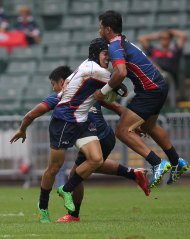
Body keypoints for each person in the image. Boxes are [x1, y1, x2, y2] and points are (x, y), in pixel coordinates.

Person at [10, 39, 150, 223]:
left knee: (73, 171)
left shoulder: (83, 85)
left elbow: (29, 116)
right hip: (92, 131)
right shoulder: (85, 86)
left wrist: (22, 129)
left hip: (87, 128)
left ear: (61, 81)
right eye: (105, 54)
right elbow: (117, 102)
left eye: (53, 84)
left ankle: (70, 208)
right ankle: (45, 206)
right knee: (84, 165)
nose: (108, 57)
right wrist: (135, 122)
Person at [93, 10, 189, 189]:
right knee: (149, 126)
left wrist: (103, 91)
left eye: (100, 28)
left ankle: (156, 162)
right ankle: (177, 161)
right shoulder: (124, 41)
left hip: (149, 90)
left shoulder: (115, 46)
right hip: (159, 85)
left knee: (122, 131)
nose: (99, 31)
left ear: (107, 29)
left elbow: (120, 73)